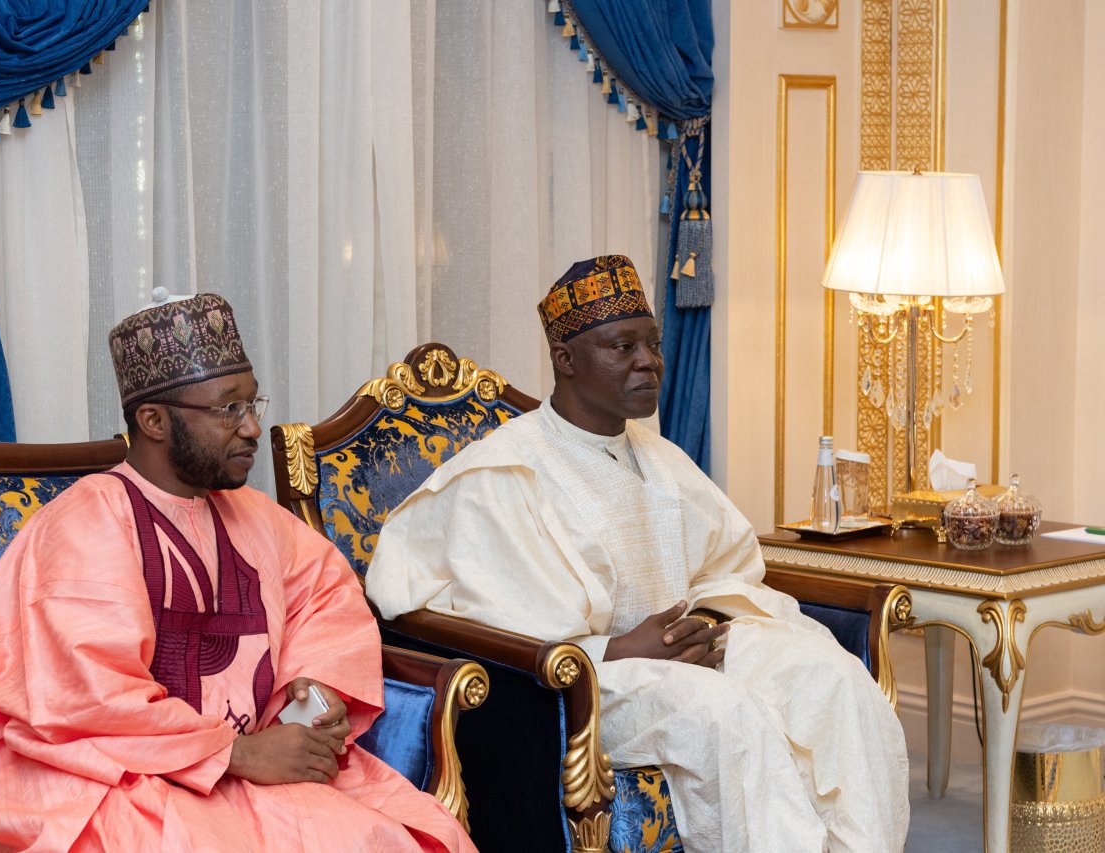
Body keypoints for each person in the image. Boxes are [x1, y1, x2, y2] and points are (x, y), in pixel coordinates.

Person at [365, 256, 910, 853]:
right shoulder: (504, 474)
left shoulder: (659, 456)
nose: (648, 361)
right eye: (622, 347)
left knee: (833, 679)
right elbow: (504, 620)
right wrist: (627, 649)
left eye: (652, 344)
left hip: (686, 650)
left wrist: (705, 622)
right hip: (589, 684)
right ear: (565, 359)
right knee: (724, 716)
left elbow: (723, 566)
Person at [0, 291, 474, 852]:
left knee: (377, 837)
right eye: (228, 409)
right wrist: (239, 754)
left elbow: (327, 598)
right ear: (154, 420)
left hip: (252, 770)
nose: (252, 428)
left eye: (253, 404)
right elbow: (84, 703)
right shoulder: (86, 526)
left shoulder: (253, 516)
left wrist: (314, 692)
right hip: (111, 780)